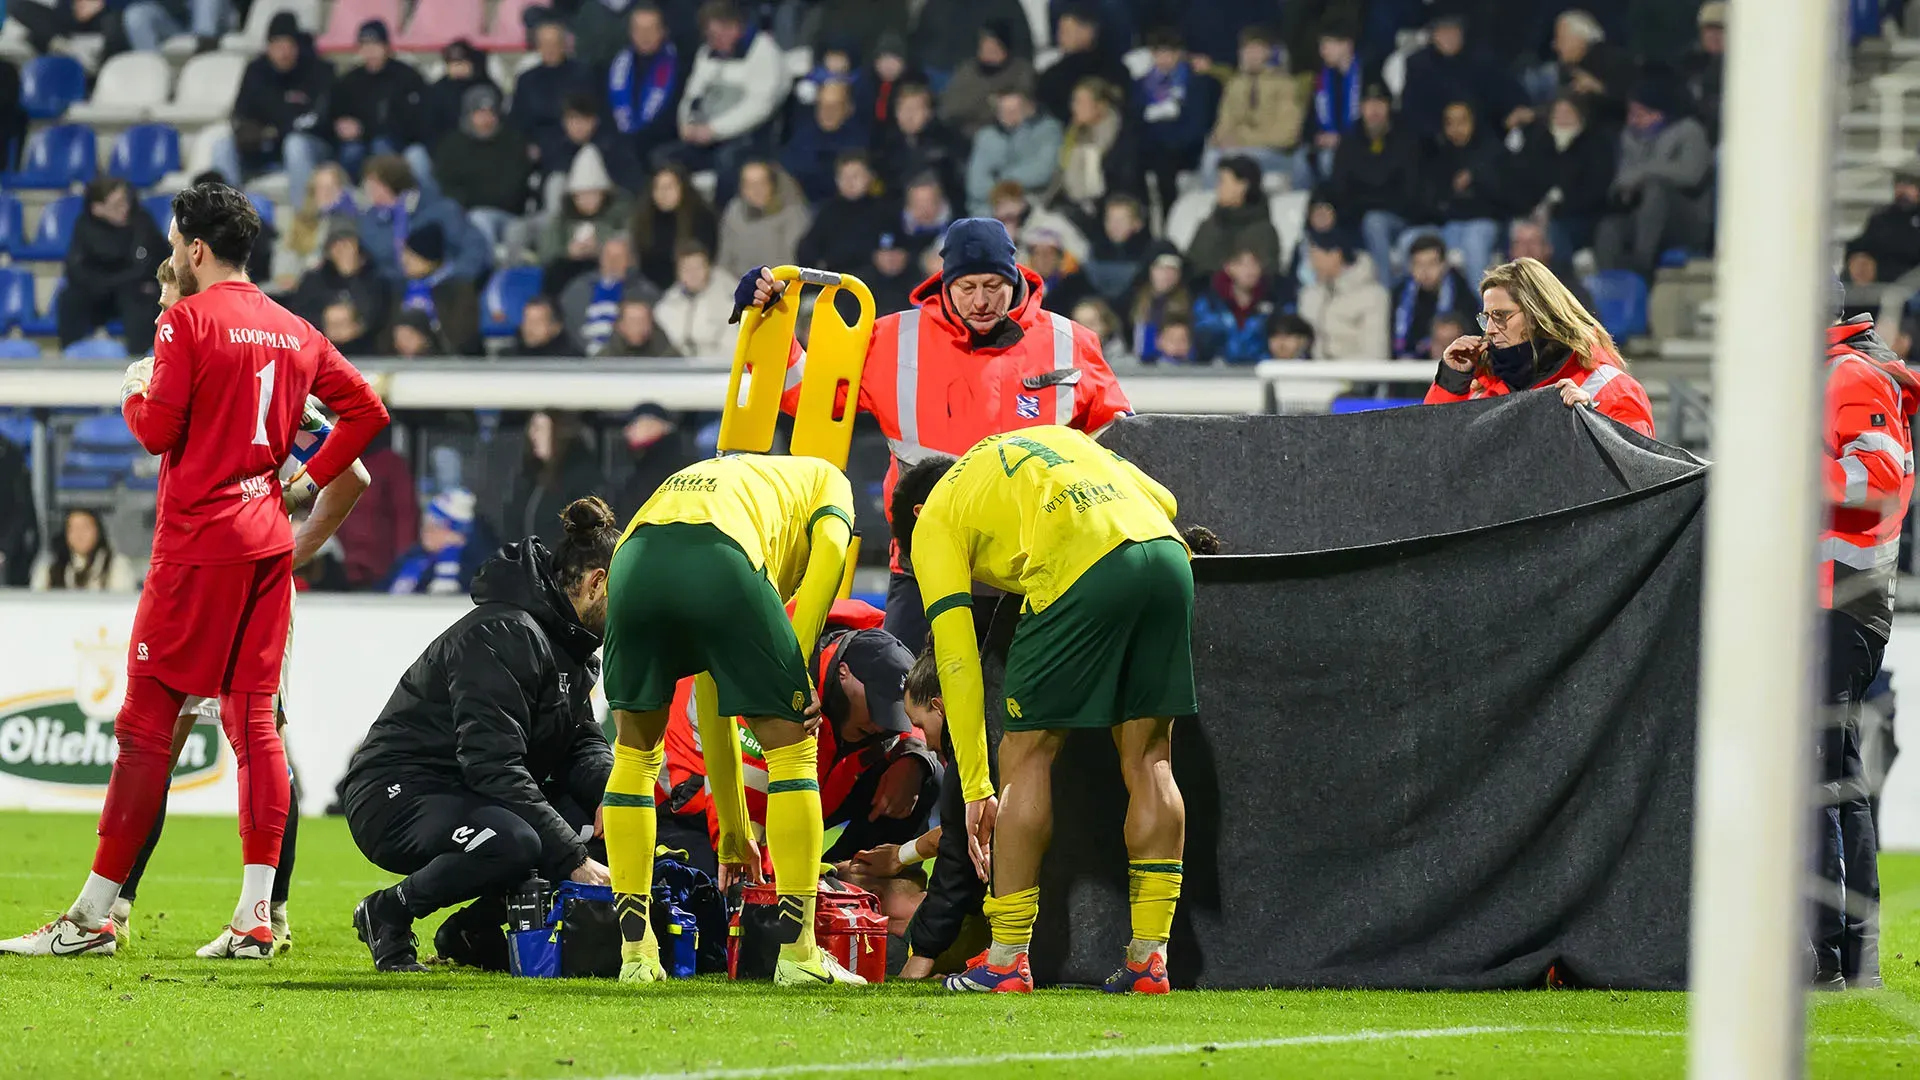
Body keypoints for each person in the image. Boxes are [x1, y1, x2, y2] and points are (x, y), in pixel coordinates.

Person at [0, 183, 388, 960]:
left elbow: (156, 432)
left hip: (197, 547)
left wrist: (132, 391)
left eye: (176, 243)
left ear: (196, 249)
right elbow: (369, 414)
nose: (171, 256)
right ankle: (254, 918)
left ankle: (92, 919)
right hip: (266, 544)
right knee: (257, 727)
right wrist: (295, 484)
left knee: (146, 729)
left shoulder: (185, 324)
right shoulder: (294, 330)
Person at [104, 262, 375, 959]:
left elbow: (352, 474)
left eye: (166, 289)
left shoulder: (177, 355)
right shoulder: (261, 355)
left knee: (198, 737)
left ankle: (135, 907)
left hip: (211, 570)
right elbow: (349, 468)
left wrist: (292, 548)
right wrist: (287, 544)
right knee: (253, 732)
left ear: (187, 290)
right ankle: (252, 911)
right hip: (235, 570)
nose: (159, 304)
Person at [890, 425, 1216, 994]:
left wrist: (974, 788)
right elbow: (1164, 501)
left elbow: (957, 661)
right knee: (1151, 758)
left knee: (1026, 753)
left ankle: (1007, 958)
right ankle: (1149, 958)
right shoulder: (1047, 440)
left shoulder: (936, 518)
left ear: (916, 512)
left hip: (1077, 565)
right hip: (1165, 555)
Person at [738, 215, 1133, 648]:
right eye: (967, 288)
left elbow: (1120, 445)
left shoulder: (1070, 341)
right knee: (904, 707)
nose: (980, 301)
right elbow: (804, 393)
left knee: (1031, 713)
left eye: (992, 286)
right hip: (921, 564)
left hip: (1038, 570)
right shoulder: (891, 339)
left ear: (1015, 278)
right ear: (945, 283)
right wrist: (768, 319)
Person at [597, 452, 863, 986]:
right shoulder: (827, 479)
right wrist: (801, 656)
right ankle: (800, 953)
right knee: (794, 751)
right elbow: (833, 545)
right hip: (722, 555)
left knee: (633, 756)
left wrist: (735, 835)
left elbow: (711, 701)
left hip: (633, 559)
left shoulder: (738, 480)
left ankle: (636, 954)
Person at [343, 499, 618, 972]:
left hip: (466, 790)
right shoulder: (501, 633)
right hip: (396, 792)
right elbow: (494, 767)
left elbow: (581, 744)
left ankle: (472, 933)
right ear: (596, 583)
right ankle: (388, 911)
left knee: (602, 815)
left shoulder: (570, 647)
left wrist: (616, 793)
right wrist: (575, 859)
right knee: (518, 840)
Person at [1814, 309, 1920, 991]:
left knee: (1814, 786)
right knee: (1836, 782)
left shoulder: (1844, 374)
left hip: (1834, 603)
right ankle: (1853, 959)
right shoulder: (1843, 371)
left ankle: (1824, 959)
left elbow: (1878, 479)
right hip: (1840, 602)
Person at [1426, 256, 1654, 437]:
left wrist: (1594, 423)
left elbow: (1641, 475)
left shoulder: (1609, 388)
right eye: (1487, 317)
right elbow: (1431, 453)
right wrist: (1452, 382)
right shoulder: (1479, 387)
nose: (1490, 330)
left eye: (1501, 315)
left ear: (1537, 315)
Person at [664, 0, 789, 205]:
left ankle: (721, 219)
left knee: (727, 162)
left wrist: (714, 130)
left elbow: (759, 107)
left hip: (751, 137)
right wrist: (686, 123)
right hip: (705, 133)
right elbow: (692, 94)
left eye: (718, 34)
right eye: (709, 35)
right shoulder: (707, 53)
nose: (713, 40)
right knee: (664, 158)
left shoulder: (764, 52)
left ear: (735, 27)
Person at [287, 19, 427, 199]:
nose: (370, 52)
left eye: (375, 45)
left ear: (386, 46)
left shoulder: (407, 77)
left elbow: (412, 122)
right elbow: (331, 117)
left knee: (381, 148)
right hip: (353, 149)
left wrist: (365, 129)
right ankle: (343, 203)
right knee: (351, 152)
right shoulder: (349, 81)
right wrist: (339, 126)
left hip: (394, 146)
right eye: (365, 46)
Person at [1594, 79, 1714, 281]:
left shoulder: (1690, 131)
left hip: (1687, 219)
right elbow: (1622, 179)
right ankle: (1610, 290)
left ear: (1660, 111)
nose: (1634, 120)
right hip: (1641, 216)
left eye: (1641, 113)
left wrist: (1644, 174)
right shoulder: (1629, 137)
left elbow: (1691, 175)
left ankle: (1643, 265)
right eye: (1631, 113)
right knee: (1609, 228)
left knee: (1655, 190)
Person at [217, 12, 331, 188]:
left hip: (309, 146)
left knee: (295, 145)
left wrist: (275, 132)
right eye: (278, 46)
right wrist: (244, 129)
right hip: (264, 147)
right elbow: (240, 112)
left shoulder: (318, 70)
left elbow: (317, 120)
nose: (283, 53)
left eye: (288, 46)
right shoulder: (256, 71)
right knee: (223, 145)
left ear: (297, 47)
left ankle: (303, 214)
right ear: (268, 47)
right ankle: (229, 212)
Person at [58, 177, 167, 354]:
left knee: (142, 298)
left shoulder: (142, 220)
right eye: (116, 204)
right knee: (70, 298)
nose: (125, 208)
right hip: (99, 288)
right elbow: (76, 269)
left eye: (126, 201)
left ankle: (138, 359)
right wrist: (102, 284)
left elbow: (147, 266)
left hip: (134, 287)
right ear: (97, 209)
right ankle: (70, 353)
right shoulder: (85, 226)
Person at [1330, 83, 1421, 285]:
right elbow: (1339, 190)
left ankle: (1385, 292)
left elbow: (1410, 192)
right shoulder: (1350, 141)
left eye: (1380, 103)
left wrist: (1366, 199)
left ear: (1389, 106)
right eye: (1368, 103)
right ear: (1361, 107)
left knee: (1375, 221)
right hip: (1355, 220)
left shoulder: (1405, 139)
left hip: (1400, 219)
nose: (1374, 110)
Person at [1203, 25, 1310, 193]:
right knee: (1211, 158)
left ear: (1268, 52)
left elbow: (1287, 135)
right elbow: (1223, 126)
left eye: (1256, 49)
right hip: (1238, 151)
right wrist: (1221, 139)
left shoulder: (1286, 85)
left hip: (1274, 154)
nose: (1250, 55)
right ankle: (1216, 211)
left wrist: (1242, 140)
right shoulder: (1234, 85)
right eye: (1246, 49)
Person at [359, 155, 491, 286]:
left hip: (448, 289)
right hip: (399, 296)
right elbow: (375, 267)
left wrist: (448, 280)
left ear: (393, 184)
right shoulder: (369, 222)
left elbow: (474, 248)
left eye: (375, 185)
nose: (370, 192)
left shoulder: (441, 210)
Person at [432, 85, 534, 249]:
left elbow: (513, 192)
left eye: (490, 113)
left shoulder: (513, 143)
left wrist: (473, 201)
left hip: (506, 217)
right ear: (468, 115)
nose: (486, 119)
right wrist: (467, 203)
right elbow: (445, 185)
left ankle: (483, 270)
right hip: (461, 214)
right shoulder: (451, 145)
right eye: (479, 113)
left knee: (479, 219)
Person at [1398, 10, 1525, 141]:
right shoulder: (1418, 65)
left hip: (1484, 137)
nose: (1449, 37)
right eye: (1443, 31)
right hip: (1437, 141)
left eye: (1454, 31)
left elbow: (1509, 92)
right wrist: (1445, 132)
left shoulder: (1483, 60)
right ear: (1433, 36)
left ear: (1462, 33)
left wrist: (1514, 111)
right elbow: (1412, 110)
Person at [1418, 100, 1507, 282]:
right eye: (1450, 123)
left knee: (1473, 243)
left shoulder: (1491, 150)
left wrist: (1475, 176)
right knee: (1411, 242)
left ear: (1473, 122)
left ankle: (1482, 308)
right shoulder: (1439, 154)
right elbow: (1431, 199)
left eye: (1462, 121)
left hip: (1483, 222)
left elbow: (1503, 194)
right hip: (1450, 224)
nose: (1456, 128)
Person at [1133, 27, 1218, 210]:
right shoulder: (1141, 85)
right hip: (1150, 145)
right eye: (1158, 53)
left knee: (1164, 160)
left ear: (1179, 54)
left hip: (1183, 147)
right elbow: (1135, 120)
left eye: (1168, 53)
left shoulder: (1195, 83)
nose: (1163, 59)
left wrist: (1173, 141)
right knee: (1129, 160)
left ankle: (1169, 216)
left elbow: (1198, 124)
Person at [502, 410, 609, 550]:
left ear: (557, 432)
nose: (532, 435)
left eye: (540, 429)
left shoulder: (579, 476)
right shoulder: (530, 475)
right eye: (531, 428)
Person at [542, 145, 636, 295]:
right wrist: (568, 252)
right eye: (581, 195)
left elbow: (627, 241)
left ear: (603, 193)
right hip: (569, 271)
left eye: (592, 194)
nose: (587, 201)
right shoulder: (562, 219)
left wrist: (599, 247)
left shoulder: (619, 213)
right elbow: (547, 251)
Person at [600, 4, 684, 170]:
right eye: (639, 30)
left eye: (651, 29)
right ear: (631, 33)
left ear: (663, 31)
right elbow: (607, 110)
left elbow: (674, 115)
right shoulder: (617, 65)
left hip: (661, 140)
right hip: (622, 140)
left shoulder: (678, 66)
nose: (644, 36)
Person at [1049, 78, 1140, 223]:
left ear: (1101, 106)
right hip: (1072, 205)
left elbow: (1124, 182)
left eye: (1081, 102)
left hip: (1106, 211)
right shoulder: (1073, 133)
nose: (1074, 107)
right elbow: (1061, 174)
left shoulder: (1122, 138)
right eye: (1074, 101)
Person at [1536, 95, 1615, 260]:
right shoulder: (1540, 142)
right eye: (1558, 112)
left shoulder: (1594, 144)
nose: (1562, 117)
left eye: (1568, 112)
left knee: (1555, 231)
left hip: (1581, 217)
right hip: (1538, 212)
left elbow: (1596, 187)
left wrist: (1557, 206)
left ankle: (1557, 280)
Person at [291, 217, 392, 343]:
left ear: (358, 246)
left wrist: (350, 276)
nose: (341, 249)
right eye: (336, 244)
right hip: (320, 346)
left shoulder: (375, 279)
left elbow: (377, 317)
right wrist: (325, 321)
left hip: (365, 349)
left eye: (347, 243)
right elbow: (298, 316)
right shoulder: (313, 279)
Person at [965, 89, 1063, 217]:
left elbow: (1042, 173)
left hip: (1032, 206)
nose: (1009, 116)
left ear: (1028, 109)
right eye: (1003, 111)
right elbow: (976, 187)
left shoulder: (1047, 130)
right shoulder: (986, 137)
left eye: (1014, 110)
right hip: (988, 210)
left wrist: (1002, 178)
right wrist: (1003, 195)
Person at [514, 17, 594, 173]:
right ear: (537, 46)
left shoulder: (583, 74)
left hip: (575, 145)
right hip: (537, 149)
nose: (549, 49)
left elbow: (591, 115)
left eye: (554, 43)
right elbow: (517, 122)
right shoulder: (526, 80)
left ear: (564, 45)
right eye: (544, 44)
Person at [1530, 9, 1631, 131]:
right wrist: (1533, 114)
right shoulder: (1568, 68)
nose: (1555, 46)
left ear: (1579, 39)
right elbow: (1562, 107)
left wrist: (1599, 89)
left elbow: (1634, 105)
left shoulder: (1615, 62)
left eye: (1560, 39)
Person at [392, 224, 483, 358]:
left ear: (428, 257)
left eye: (411, 254)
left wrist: (426, 342)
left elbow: (464, 338)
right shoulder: (399, 288)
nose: (404, 260)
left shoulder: (458, 290)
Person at [1298, 229, 1389, 360]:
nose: (1312, 265)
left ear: (1336, 254)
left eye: (1315, 256)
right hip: (1313, 375)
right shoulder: (1309, 295)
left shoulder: (1373, 296)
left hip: (1356, 375)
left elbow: (1376, 353)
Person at [874, 84, 967, 213]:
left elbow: (957, 186)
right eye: (903, 109)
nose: (909, 115)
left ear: (928, 113)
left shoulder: (947, 142)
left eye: (915, 109)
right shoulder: (886, 145)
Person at [1185, 156, 1281, 280]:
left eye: (1222, 181)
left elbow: (1267, 278)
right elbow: (1190, 266)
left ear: (1242, 186)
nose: (1218, 188)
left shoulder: (1263, 233)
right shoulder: (1209, 225)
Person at [561, 235, 660, 354]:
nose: (612, 263)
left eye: (618, 257)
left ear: (631, 261)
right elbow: (568, 325)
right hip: (579, 359)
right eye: (608, 257)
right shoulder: (578, 289)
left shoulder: (646, 293)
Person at [798, 152, 893, 274]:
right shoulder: (828, 211)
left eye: (855, 176)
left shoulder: (884, 210)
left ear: (869, 177)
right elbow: (807, 249)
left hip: (875, 280)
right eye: (844, 177)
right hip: (835, 280)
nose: (849, 182)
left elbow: (890, 246)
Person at [631, 164, 720, 292]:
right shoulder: (645, 219)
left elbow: (709, 258)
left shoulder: (702, 217)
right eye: (658, 188)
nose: (663, 193)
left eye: (669, 187)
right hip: (653, 288)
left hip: (697, 285)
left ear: (682, 187)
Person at [940, 22, 1036, 139]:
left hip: (1007, 135)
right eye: (984, 46)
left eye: (994, 46)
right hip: (962, 134)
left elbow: (1018, 107)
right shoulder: (966, 72)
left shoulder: (1021, 71)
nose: (988, 52)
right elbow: (949, 109)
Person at [718, 160, 810, 282]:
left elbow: (793, 265)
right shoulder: (734, 210)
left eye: (761, 183)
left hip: (781, 287)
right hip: (739, 287)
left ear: (772, 184)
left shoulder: (792, 213)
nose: (756, 190)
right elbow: (724, 260)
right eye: (749, 185)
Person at [1036, 6, 1130, 124]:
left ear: (1088, 31)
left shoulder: (1112, 68)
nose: (1060, 37)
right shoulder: (1051, 75)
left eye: (1066, 31)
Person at [781, 79, 869, 204]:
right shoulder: (804, 131)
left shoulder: (858, 140)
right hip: (800, 202)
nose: (827, 112)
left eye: (834, 106)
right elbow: (787, 168)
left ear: (848, 109)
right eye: (822, 105)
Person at [384, 489, 485, 596]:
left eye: (436, 524)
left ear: (458, 534)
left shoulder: (474, 570)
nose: (426, 530)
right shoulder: (411, 557)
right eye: (426, 522)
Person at [1192, 247, 1285, 364]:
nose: (1250, 270)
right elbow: (1201, 340)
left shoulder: (1273, 303)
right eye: (1243, 265)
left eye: (1255, 264)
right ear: (1229, 267)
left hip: (1260, 371)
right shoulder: (1210, 303)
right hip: (1216, 373)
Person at [1391, 234, 1475, 360]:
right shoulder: (1400, 294)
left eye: (1432, 263)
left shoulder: (1462, 293)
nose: (1425, 271)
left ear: (1444, 265)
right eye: (1418, 264)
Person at [1305, 19, 1367, 178]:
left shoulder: (1367, 76)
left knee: (1330, 160)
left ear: (1346, 45)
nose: (1322, 51)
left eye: (1327, 45)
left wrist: (1342, 140)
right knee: (1301, 161)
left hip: (1360, 144)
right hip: (1325, 144)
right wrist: (1317, 138)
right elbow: (1310, 120)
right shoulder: (1322, 79)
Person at [654, 242, 736, 357]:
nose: (693, 274)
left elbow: (732, 349)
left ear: (708, 268)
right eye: (687, 269)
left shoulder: (730, 303)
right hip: (676, 370)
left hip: (718, 370)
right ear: (678, 272)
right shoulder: (664, 308)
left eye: (698, 268)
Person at [612, 403, 696, 513]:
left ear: (653, 425)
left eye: (634, 424)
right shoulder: (640, 462)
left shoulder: (666, 467)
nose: (627, 430)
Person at [30, 508, 136, 591]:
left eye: (85, 527)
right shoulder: (49, 569)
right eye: (73, 528)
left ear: (97, 531)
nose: (79, 534)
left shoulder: (117, 566)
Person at [420, 40, 499, 150]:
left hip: (484, 146)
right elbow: (429, 128)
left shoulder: (486, 87)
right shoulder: (437, 91)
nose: (457, 67)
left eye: (461, 62)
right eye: (452, 63)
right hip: (446, 148)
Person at [1853, 164, 1920, 284]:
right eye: (1899, 183)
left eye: (1910, 184)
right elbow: (1862, 247)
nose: (1903, 190)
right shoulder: (1881, 218)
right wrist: (1858, 258)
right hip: (1881, 286)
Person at [1083, 194, 1153, 303]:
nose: (1114, 225)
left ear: (1137, 224)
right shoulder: (1094, 251)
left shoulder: (1149, 253)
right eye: (1110, 220)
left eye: (1121, 220)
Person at [1130, 248, 1195, 363]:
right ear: (1151, 270)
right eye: (1162, 268)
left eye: (1172, 270)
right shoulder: (1134, 300)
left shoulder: (1189, 303)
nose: (1167, 274)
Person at [1681, 2, 1726, 143]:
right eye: (1708, 29)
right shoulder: (1687, 64)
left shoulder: (1743, 68)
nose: (1713, 35)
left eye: (1720, 29)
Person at [602, 298, 680, 357]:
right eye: (632, 321)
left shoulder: (669, 356)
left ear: (650, 325)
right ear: (621, 326)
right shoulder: (604, 358)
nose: (638, 327)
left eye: (642, 321)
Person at [507, 295, 578, 358]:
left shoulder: (574, 362)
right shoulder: (507, 358)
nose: (530, 328)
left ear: (556, 327)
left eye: (537, 322)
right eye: (527, 321)